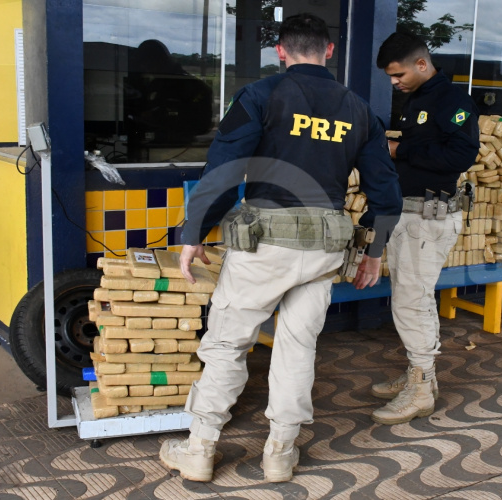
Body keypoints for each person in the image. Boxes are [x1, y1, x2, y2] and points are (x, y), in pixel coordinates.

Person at [159, 13, 402, 483]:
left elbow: (225, 168)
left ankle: (200, 449)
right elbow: (386, 190)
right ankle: (280, 453)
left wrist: (193, 233)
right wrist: (375, 248)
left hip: (264, 245)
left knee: (228, 343)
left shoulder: (261, 95)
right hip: (325, 248)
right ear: (329, 51)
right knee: (297, 347)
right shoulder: (359, 109)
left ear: (282, 52)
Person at [354, 32, 480, 425]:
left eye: (398, 74)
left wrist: (399, 150)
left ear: (422, 64)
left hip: (430, 217)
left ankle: (422, 388)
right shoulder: (420, 99)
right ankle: (417, 373)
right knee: (408, 298)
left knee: (414, 300)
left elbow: (462, 154)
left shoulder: (452, 101)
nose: (394, 83)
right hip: (411, 214)